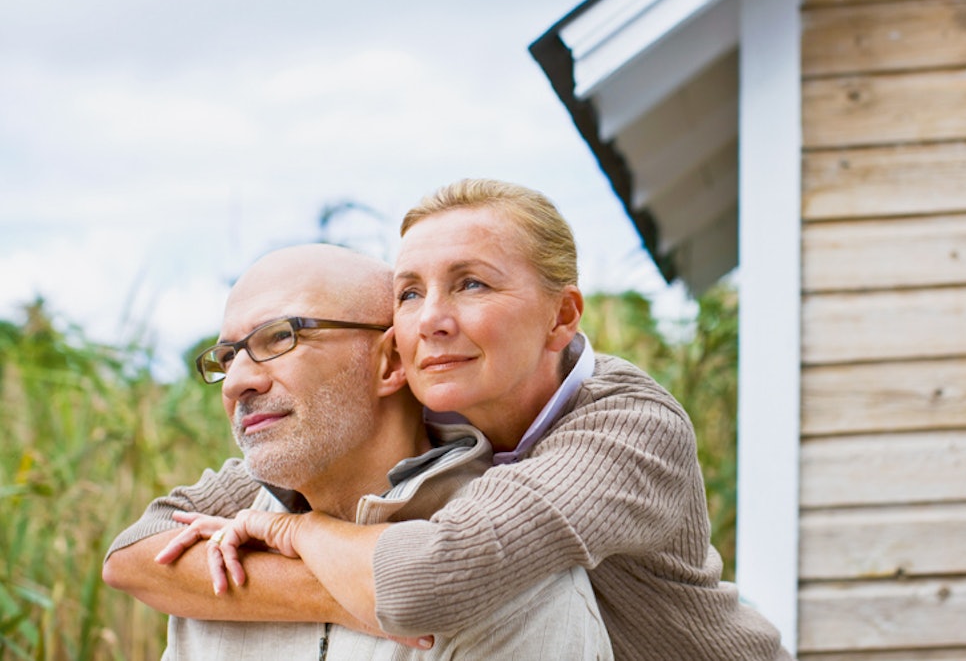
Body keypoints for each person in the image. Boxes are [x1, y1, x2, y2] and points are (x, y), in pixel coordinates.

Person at [192, 180, 791, 661]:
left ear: (562, 317)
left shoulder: (630, 426)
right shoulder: (431, 397)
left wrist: (293, 533)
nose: (431, 320)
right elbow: (143, 543)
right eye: (409, 293)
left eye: (471, 283)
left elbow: (422, 588)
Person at [102, 243, 612, 660]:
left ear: (391, 361)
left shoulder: (506, 569)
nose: (237, 381)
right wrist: (337, 595)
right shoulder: (215, 556)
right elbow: (127, 556)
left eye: (281, 336)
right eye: (227, 356)